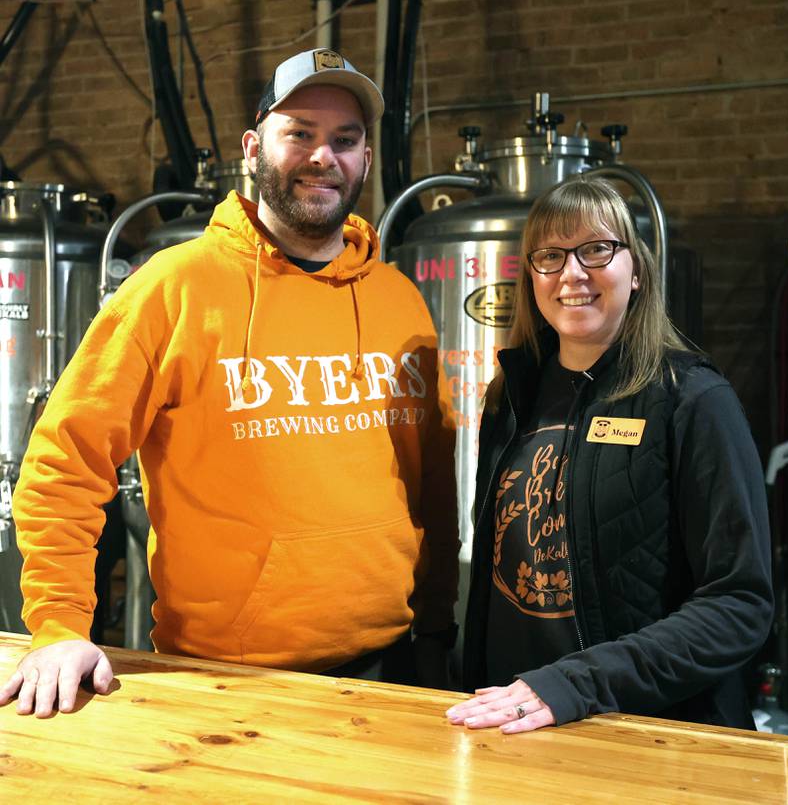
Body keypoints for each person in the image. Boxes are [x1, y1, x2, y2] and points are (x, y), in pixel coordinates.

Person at [1, 48, 459, 718]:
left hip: (391, 671)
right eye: (298, 133)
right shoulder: (174, 286)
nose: (322, 156)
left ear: (365, 158)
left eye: (345, 140)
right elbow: (65, 460)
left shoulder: (397, 298)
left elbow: (433, 481)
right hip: (220, 685)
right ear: (254, 146)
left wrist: (439, 621)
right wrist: (62, 626)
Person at [446, 174, 773, 734]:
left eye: (596, 249)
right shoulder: (512, 393)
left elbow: (739, 604)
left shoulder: (692, 399)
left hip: (639, 731)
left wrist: (575, 684)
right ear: (532, 276)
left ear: (637, 269)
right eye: (550, 256)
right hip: (509, 721)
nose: (572, 274)